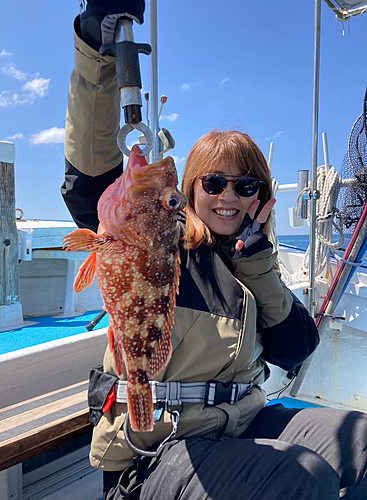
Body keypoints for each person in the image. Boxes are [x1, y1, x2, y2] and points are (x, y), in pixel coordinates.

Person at [61, 2, 367, 499]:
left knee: (359, 440)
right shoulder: (168, 237)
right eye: (215, 181)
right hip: (155, 449)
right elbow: (90, 175)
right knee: (299, 476)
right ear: (191, 189)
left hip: (238, 425)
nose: (229, 195)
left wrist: (258, 265)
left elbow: (296, 349)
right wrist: (99, 50)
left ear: (262, 196)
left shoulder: (254, 262)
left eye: (245, 184)